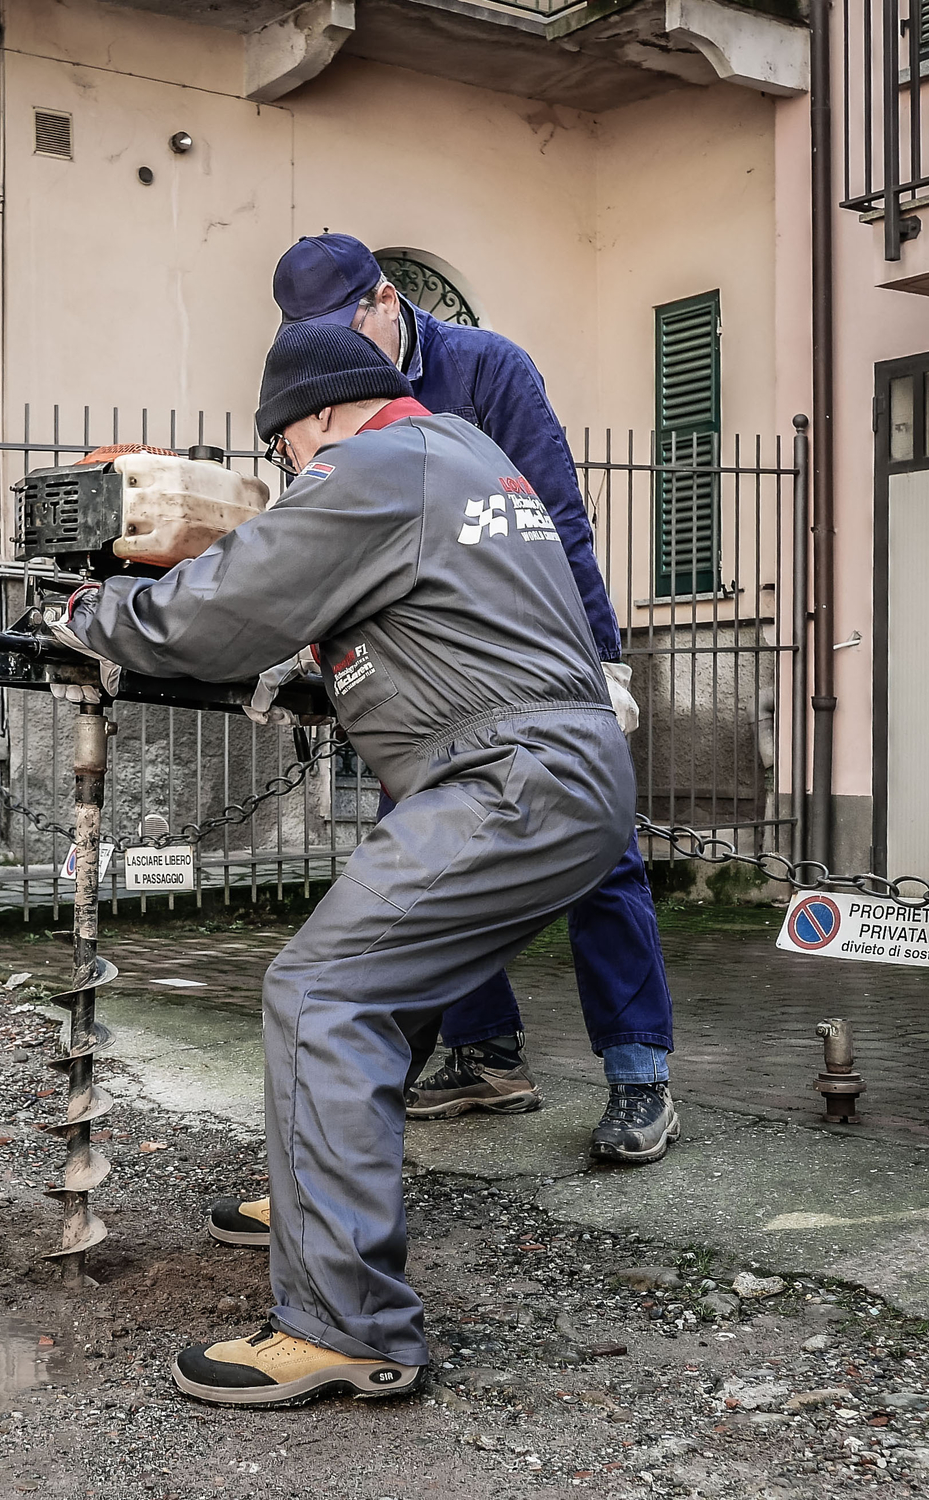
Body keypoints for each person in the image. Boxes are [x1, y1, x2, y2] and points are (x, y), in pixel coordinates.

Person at [53, 322, 634, 1407]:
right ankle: (322, 1196)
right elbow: (429, 620)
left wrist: (97, 613)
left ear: (312, 414)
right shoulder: (464, 454)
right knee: (392, 981)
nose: (287, 470)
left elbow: (221, 611)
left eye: (282, 450)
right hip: (560, 777)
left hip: (501, 782)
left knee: (323, 993)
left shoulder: (366, 466)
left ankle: (343, 1327)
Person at [241, 234, 678, 1180]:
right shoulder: (326, 400)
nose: (333, 347)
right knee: (422, 866)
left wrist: (598, 657)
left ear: (387, 299)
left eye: (343, 324)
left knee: (602, 860)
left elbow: (555, 518)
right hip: (416, 685)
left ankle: (640, 1071)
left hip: (534, 668)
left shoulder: (486, 370)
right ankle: (489, 1058)